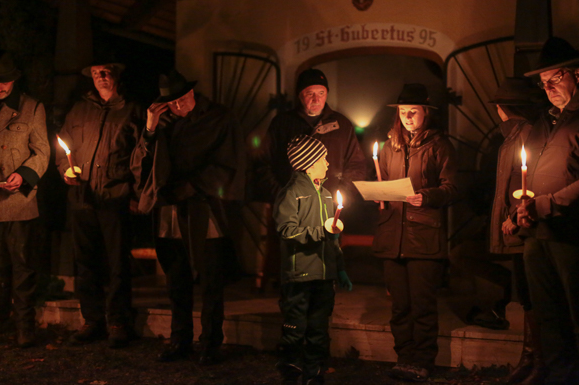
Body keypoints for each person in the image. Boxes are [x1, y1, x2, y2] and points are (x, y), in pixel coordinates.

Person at [517, 37, 579, 384]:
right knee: (548, 316)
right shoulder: (545, 121)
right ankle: (561, 377)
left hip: (574, 234)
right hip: (538, 234)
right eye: (543, 82)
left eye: (555, 78)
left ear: (577, 74)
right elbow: (528, 173)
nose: (548, 88)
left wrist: (547, 204)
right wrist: (519, 211)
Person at [131, 70, 246, 365]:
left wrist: (193, 186)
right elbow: (141, 165)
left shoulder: (219, 118)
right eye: (171, 103)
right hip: (170, 210)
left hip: (205, 208)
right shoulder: (162, 123)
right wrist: (149, 128)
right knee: (176, 279)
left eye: (182, 99)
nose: (178, 106)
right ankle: (180, 339)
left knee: (210, 279)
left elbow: (229, 163)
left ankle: (210, 343)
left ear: (191, 93)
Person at [373, 83, 457, 382]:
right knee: (400, 306)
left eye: (413, 112)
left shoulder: (439, 146)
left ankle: (422, 361)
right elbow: (382, 182)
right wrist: (377, 193)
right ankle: (404, 358)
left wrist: (428, 196)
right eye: (403, 112)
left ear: (426, 113)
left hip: (423, 236)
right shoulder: (389, 147)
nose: (407, 117)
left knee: (422, 305)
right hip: (392, 235)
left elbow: (452, 187)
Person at [57, 61, 143, 348]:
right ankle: (92, 320)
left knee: (117, 262)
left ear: (116, 74)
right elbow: (63, 147)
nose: (101, 77)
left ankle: (118, 321)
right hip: (82, 198)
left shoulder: (132, 111)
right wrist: (65, 170)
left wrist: (135, 194)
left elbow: (142, 156)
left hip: (115, 197)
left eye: (105, 72)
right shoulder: (80, 110)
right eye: (95, 73)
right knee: (85, 262)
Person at [257, 68, 366, 289]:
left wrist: (341, 196)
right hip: (293, 207)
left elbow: (356, 165)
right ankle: (292, 295)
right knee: (294, 259)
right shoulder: (283, 124)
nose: (316, 99)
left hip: (328, 206)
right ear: (300, 95)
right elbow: (262, 164)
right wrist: (281, 195)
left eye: (321, 93)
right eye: (309, 93)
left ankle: (324, 292)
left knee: (326, 257)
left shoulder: (342, 125)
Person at [0, 50, 50, 347]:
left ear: (14, 80)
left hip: (17, 199)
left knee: (22, 265)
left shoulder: (31, 107)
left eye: (5, 81)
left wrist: (23, 175)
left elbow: (42, 152)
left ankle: (24, 326)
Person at [273, 134, 352, 385]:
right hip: (299, 276)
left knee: (319, 328)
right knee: (295, 328)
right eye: (323, 159)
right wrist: (320, 232)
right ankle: (291, 371)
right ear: (308, 164)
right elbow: (286, 230)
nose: (327, 163)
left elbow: (333, 240)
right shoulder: (291, 194)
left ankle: (314, 373)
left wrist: (339, 269)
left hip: (324, 274)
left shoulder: (327, 195)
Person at [488, 78, 544, 384]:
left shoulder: (525, 134)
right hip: (518, 225)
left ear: (502, 108)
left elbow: (528, 179)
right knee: (525, 292)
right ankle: (530, 358)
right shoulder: (513, 135)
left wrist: (512, 215)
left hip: (523, 225)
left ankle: (537, 361)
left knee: (531, 293)